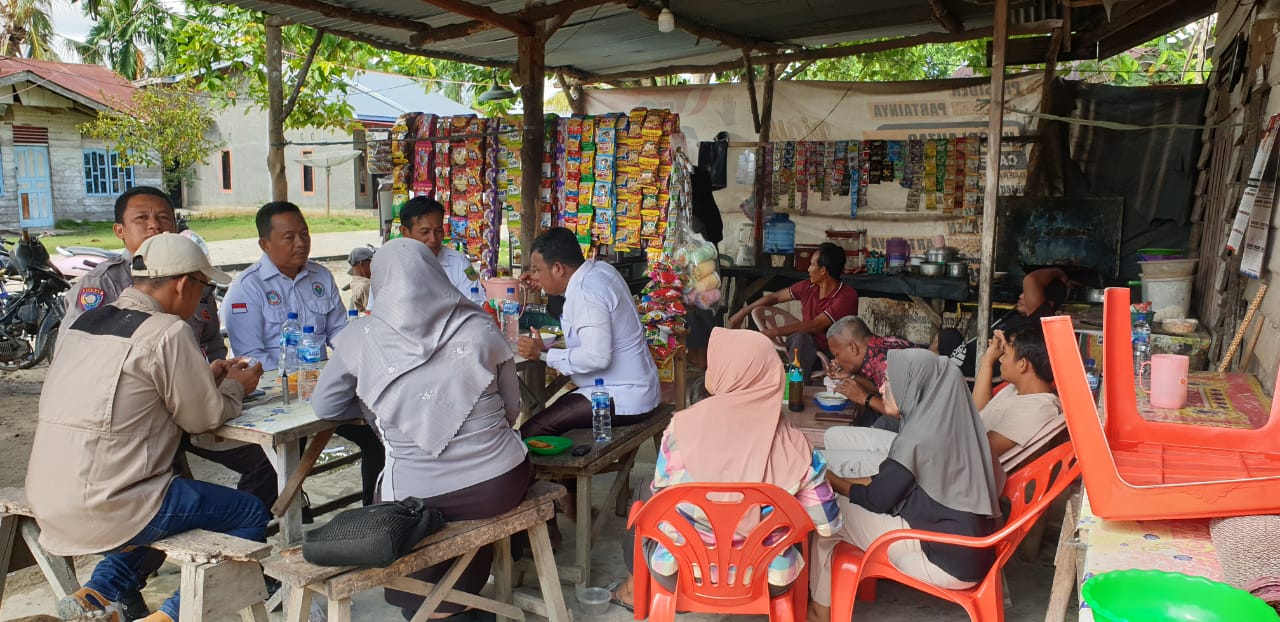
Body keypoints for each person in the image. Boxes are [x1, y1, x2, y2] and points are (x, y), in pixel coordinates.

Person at [29, 233, 268, 622]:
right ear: (183, 284)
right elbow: (202, 420)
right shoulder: (168, 331)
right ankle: (171, 615)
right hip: (113, 503)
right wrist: (234, 388)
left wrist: (204, 379)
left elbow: (132, 393)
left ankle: (97, 594)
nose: (202, 301)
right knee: (249, 512)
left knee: (168, 509)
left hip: (51, 497)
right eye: (204, 289)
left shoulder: (87, 321)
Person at [312, 239, 529, 621]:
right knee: (475, 506)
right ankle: (464, 602)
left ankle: (437, 607)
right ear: (435, 274)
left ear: (380, 283)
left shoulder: (361, 337)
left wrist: (380, 403)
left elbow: (325, 406)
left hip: (417, 496)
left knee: (405, 506)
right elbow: (512, 409)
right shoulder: (479, 325)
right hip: (501, 482)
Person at [60, 187, 276, 526]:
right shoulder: (101, 285)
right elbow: (77, 365)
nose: (155, 226)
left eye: (163, 218)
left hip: (187, 407)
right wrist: (228, 389)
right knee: (169, 491)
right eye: (142, 219)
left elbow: (210, 343)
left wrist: (212, 376)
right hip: (131, 425)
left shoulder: (192, 273)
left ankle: (231, 531)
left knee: (267, 459)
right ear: (120, 230)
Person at [607, 328, 841, 610]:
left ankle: (633, 591)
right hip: (767, 580)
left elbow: (661, 497)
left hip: (680, 575)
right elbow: (828, 525)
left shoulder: (681, 429)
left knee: (644, 499)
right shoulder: (796, 446)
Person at [810, 349, 1001, 622]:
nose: (882, 387)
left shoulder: (919, 438)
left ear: (917, 387)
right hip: (974, 552)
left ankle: (820, 612)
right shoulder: (963, 428)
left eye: (891, 380)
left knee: (829, 514)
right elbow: (893, 485)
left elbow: (876, 498)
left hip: (944, 561)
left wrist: (827, 479)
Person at [222, 201, 384, 506]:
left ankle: (373, 513)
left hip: (324, 387)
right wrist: (298, 378)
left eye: (304, 234)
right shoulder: (247, 287)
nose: (301, 243)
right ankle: (251, 521)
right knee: (273, 465)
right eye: (289, 237)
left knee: (379, 436)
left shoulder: (320, 276)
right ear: (265, 244)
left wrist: (362, 358)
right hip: (278, 396)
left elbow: (338, 331)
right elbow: (251, 357)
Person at [516, 227, 661, 437]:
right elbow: (566, 300)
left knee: (533, 430)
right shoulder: (600, 270)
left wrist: (543, 354)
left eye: (537, 270)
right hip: (633, 387)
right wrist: (545, 282)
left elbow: (597, 357)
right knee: (551, 416)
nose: (535, 275)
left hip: (624, 395)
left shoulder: (586, 293)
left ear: (558, 268)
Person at [727, 242, 859, 374]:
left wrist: (773, 332)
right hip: (807, 349)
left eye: (812, 265)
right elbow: (775, 297)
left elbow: (816, 325)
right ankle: (795, 382)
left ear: (823, 270)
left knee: (800, 339)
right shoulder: (808, 287)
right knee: (800, 338)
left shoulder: (847, 296)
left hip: (835, 356)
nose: (808, 269)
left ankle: (796, 382)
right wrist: (743, 312)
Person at [945, 268, 1067, 375]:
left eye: (1028, 293)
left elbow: (1031, 279)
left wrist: (1059, 272)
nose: (1021, 296)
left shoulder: (1036, 320)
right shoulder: (1021, 318)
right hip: (966, 357)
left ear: (1047, 305)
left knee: (947, 337)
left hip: (972, 368)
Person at [972, 326, 1063, 464]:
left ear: (1022, 364)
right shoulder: (1017, 389)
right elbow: (978, 412)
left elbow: (977, 451)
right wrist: (987, 361)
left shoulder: (1037, 409)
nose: (1000, 359)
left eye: (1006, 354)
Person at [824, 316, 916, 421]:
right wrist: (849, 376)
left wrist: (864, 397)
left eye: (836, 355)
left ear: (853, 348)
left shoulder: (885, 362)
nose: (836, 361)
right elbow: (880, 386)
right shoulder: (886, 343)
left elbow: (899, 413)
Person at [398, 196, 485, 305]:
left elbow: (476, 302)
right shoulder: (393, 264)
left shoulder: (460, 263)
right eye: (425, 232)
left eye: (438, 231)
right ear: (405, 231)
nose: (433, 239)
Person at [347, 246, 374, 312]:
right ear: (361, 263)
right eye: (371, 261)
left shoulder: (354, 283)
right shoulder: (365, 286)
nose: (375, 264)